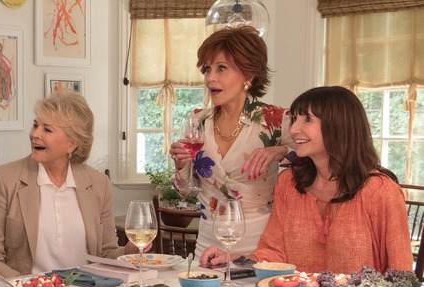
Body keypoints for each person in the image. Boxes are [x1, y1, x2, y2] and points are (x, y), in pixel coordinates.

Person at [201, 86, 412, 274]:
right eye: (295, 119)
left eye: (307, 119)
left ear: (338, 126)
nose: (293, 130)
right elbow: (274, 254)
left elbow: (401, 273)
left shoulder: (381, 191)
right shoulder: (289, 183)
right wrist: (234, 260)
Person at [0, 91, 137, 281]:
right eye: (35, 125)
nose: (35, 135)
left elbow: (105, 253)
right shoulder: (4, 178)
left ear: (72, 144)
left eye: (47, 130)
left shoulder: (99, 184)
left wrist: (127, 252)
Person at [169, 26, 295, 258]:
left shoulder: (277, 120)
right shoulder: (198, 120)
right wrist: (180, 165)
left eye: (221, 68)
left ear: (248, 75)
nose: (210, 78)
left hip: (260, 245)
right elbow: (186, 192)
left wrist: (279, 151)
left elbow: (312, 161)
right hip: (207, 244)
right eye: (207, 69)